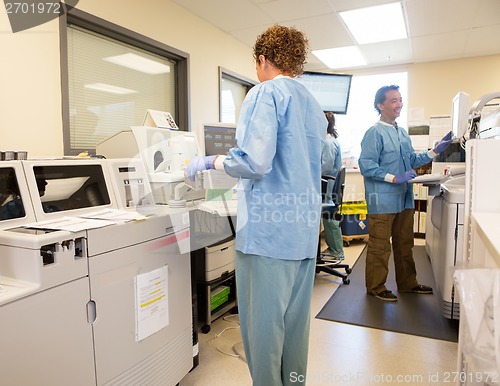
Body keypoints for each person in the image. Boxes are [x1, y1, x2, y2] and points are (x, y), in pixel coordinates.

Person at [187, 25, 326, 386]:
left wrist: (212, 162)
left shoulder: (265, 93)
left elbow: (254, 162)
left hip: (268, 235)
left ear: (263, 59)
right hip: (303, 234)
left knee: (264, 331)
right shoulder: (312, 104)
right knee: (295, 327)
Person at [358, 85, 453, 302]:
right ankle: (376, 287)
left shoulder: (401, 133)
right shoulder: (374, 132)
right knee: (380, 246)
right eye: (393, 100)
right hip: (382, 200)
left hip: (404, 199)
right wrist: (394, 177)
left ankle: (408, 283)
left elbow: (412, 160)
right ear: (380, 105)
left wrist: (436, 150)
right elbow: (366, 165)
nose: (399, 104)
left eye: (400, 99)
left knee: (405, 243)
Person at [321, 112, 345, 260]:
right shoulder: (329, 140)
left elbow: (325, 168)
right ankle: (334, 248)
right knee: (329, 219)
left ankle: (337, 251)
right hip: (327, 185)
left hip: (326, 185)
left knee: (330, 219)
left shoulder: (328, 142)